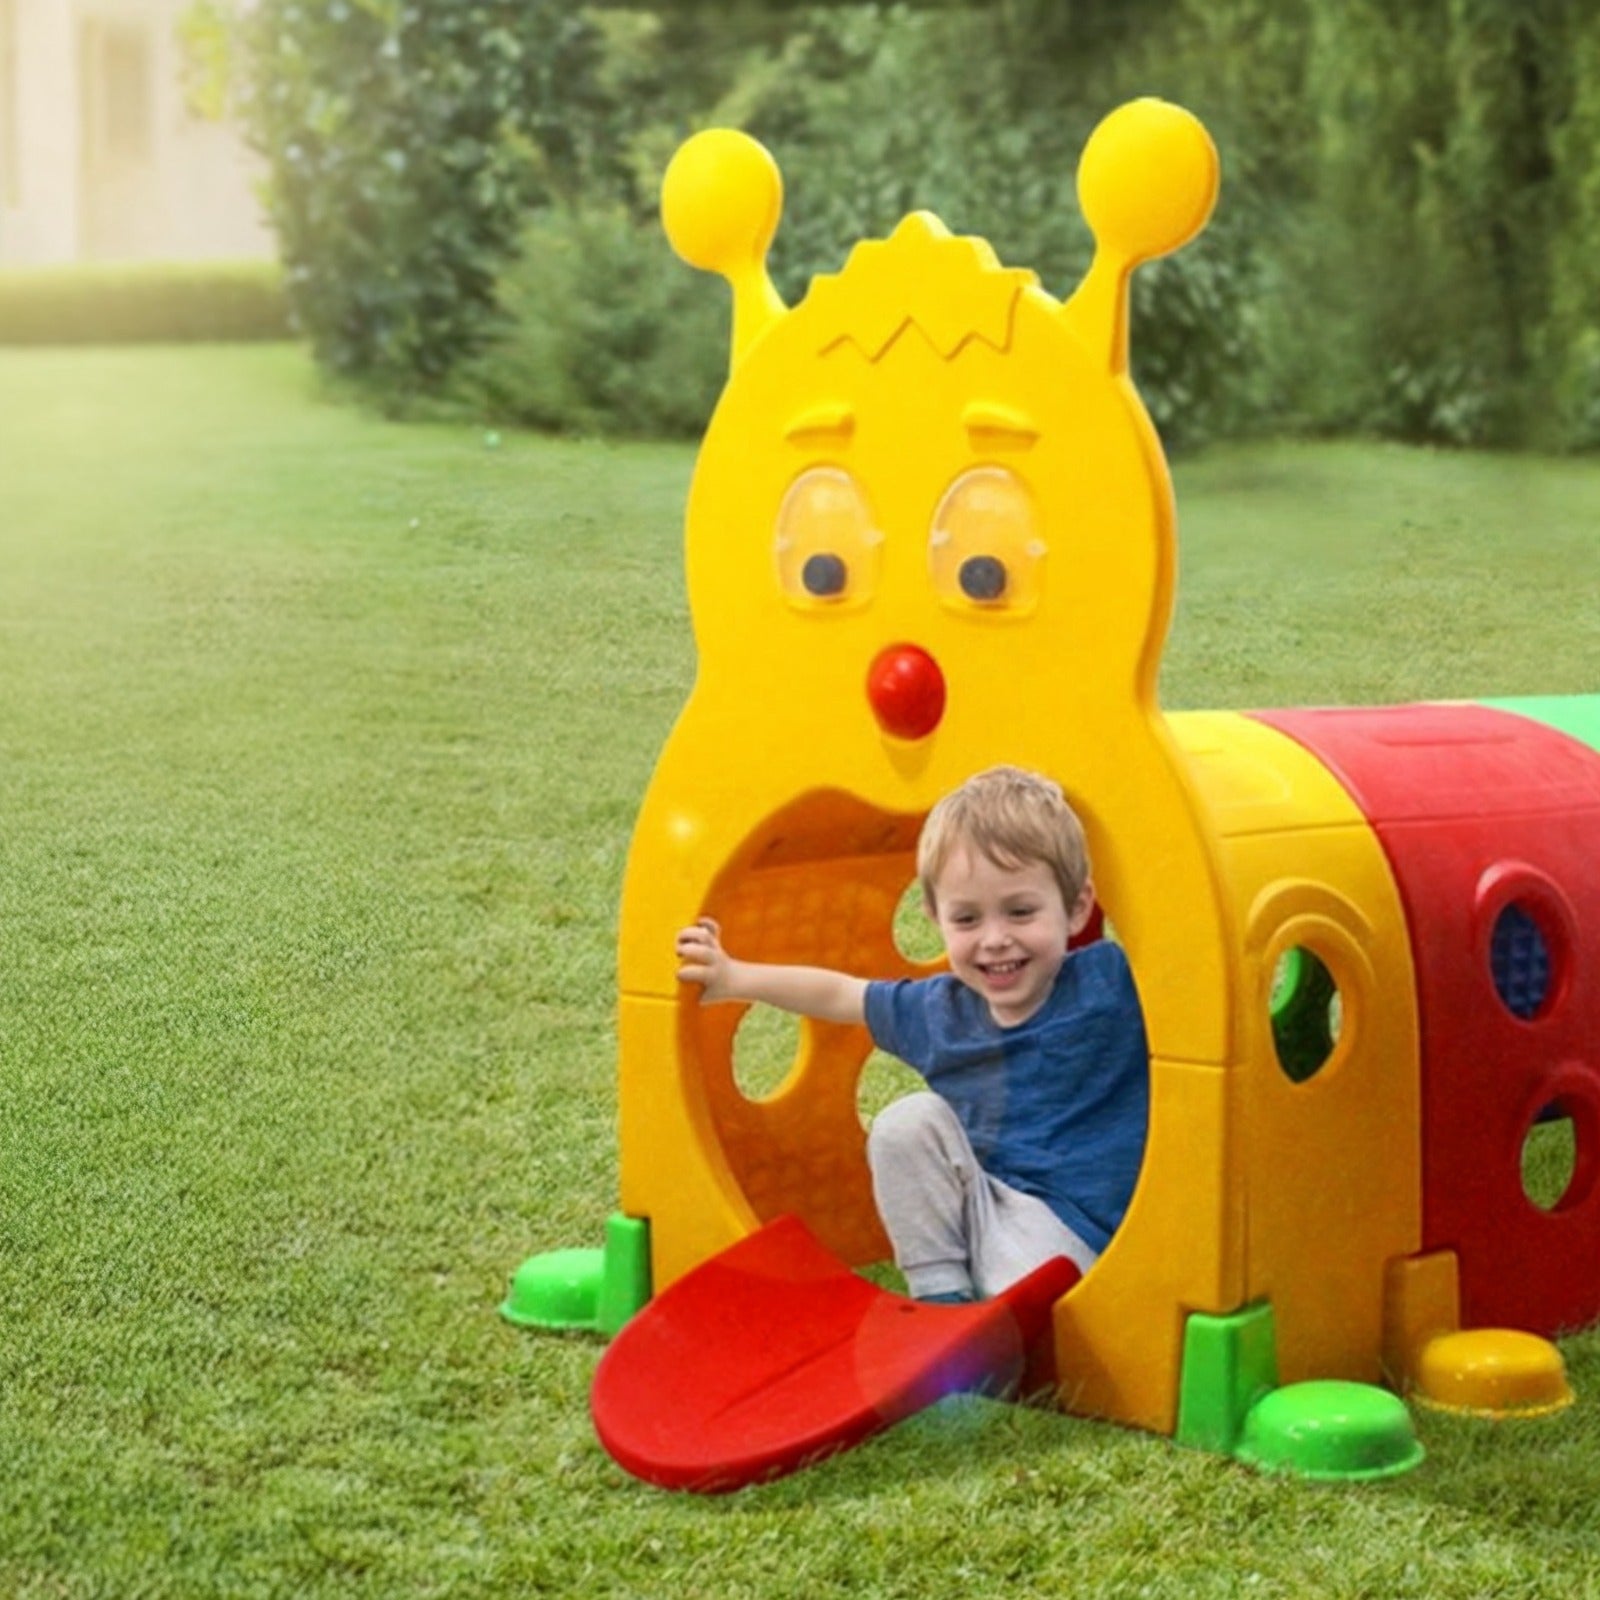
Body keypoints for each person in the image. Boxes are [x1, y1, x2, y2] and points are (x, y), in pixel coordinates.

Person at [674, 766, 1149, 1304]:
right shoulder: (939, 1009)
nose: (995, 940)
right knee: (906, 1121)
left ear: (1077, 907)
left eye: (1020, 912)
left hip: (1072, 1239)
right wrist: (736, 978)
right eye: (967, 920)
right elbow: (840, 995)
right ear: (935, 917)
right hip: (982, 1218)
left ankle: (987, 1304)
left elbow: (1200, 979)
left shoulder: (1112, 983)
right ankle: (939, 1300)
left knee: (1025, 1275)